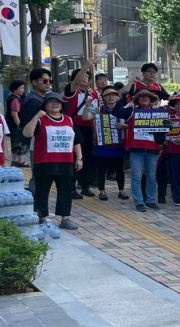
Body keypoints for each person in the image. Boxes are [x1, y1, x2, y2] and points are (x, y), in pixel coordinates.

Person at [22, 91, 85, 230]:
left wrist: (79, 158)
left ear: (62, 105)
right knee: (42, 191)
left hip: (66, 162)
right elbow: (26, 133)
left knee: (65, 191)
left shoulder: (69, 120)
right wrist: (37, 115)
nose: (54, 104)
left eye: (57, 102)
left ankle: (65, 218)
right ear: (44, 105)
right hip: (44, 162)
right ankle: (42, 217)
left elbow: (76, 141)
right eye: (50, 102)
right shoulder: (40, 120)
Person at [114, 89, 165, 212]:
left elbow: (163, 129)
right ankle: (139, 202)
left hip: (152, 149)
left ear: (151, 99)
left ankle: (151, 200)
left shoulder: (157, 112)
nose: (144, 98)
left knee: (152, 177)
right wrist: (126, 100)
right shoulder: (131, 111)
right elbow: (117, 112)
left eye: (147, 96)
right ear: (136, 99)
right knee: (136, 176)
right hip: (136, 148)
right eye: (141, 96)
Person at [63, 59, 101, 198]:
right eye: (82, 76)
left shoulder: (94, 94)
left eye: (87, 77)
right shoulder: (71, 90)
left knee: (88, 158)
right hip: (72, 128)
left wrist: (96, 132)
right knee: (73, 158)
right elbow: (76, 81)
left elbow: (95, 114)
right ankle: (71, 188)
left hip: (87, 129)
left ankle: (85, 185)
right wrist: (86, 66)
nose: (84, 78)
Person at [93, 87, 128, 201]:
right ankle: (102, 191)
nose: (111, 97)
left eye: (114, 94)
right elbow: (86, 118)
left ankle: (121, 190)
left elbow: (133, 125)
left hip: (118, 144)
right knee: (101, 169)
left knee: (119, 168)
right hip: (102, 144)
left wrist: (123, 126)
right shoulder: (98, 110)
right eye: (108, 95)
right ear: (103, 98)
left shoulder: (124, 110)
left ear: (118, 97)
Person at [6, 79, 29, 166]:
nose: (23, 90)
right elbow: (15, 114)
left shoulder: (12, 98)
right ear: (15, 89)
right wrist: (20, 127)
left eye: (23, 88)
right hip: (15, 126)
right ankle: (20, 161)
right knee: (19, 143)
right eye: (21, 88)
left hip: (11, 126)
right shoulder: (15, 100)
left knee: (15, 144)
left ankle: (15, 161)